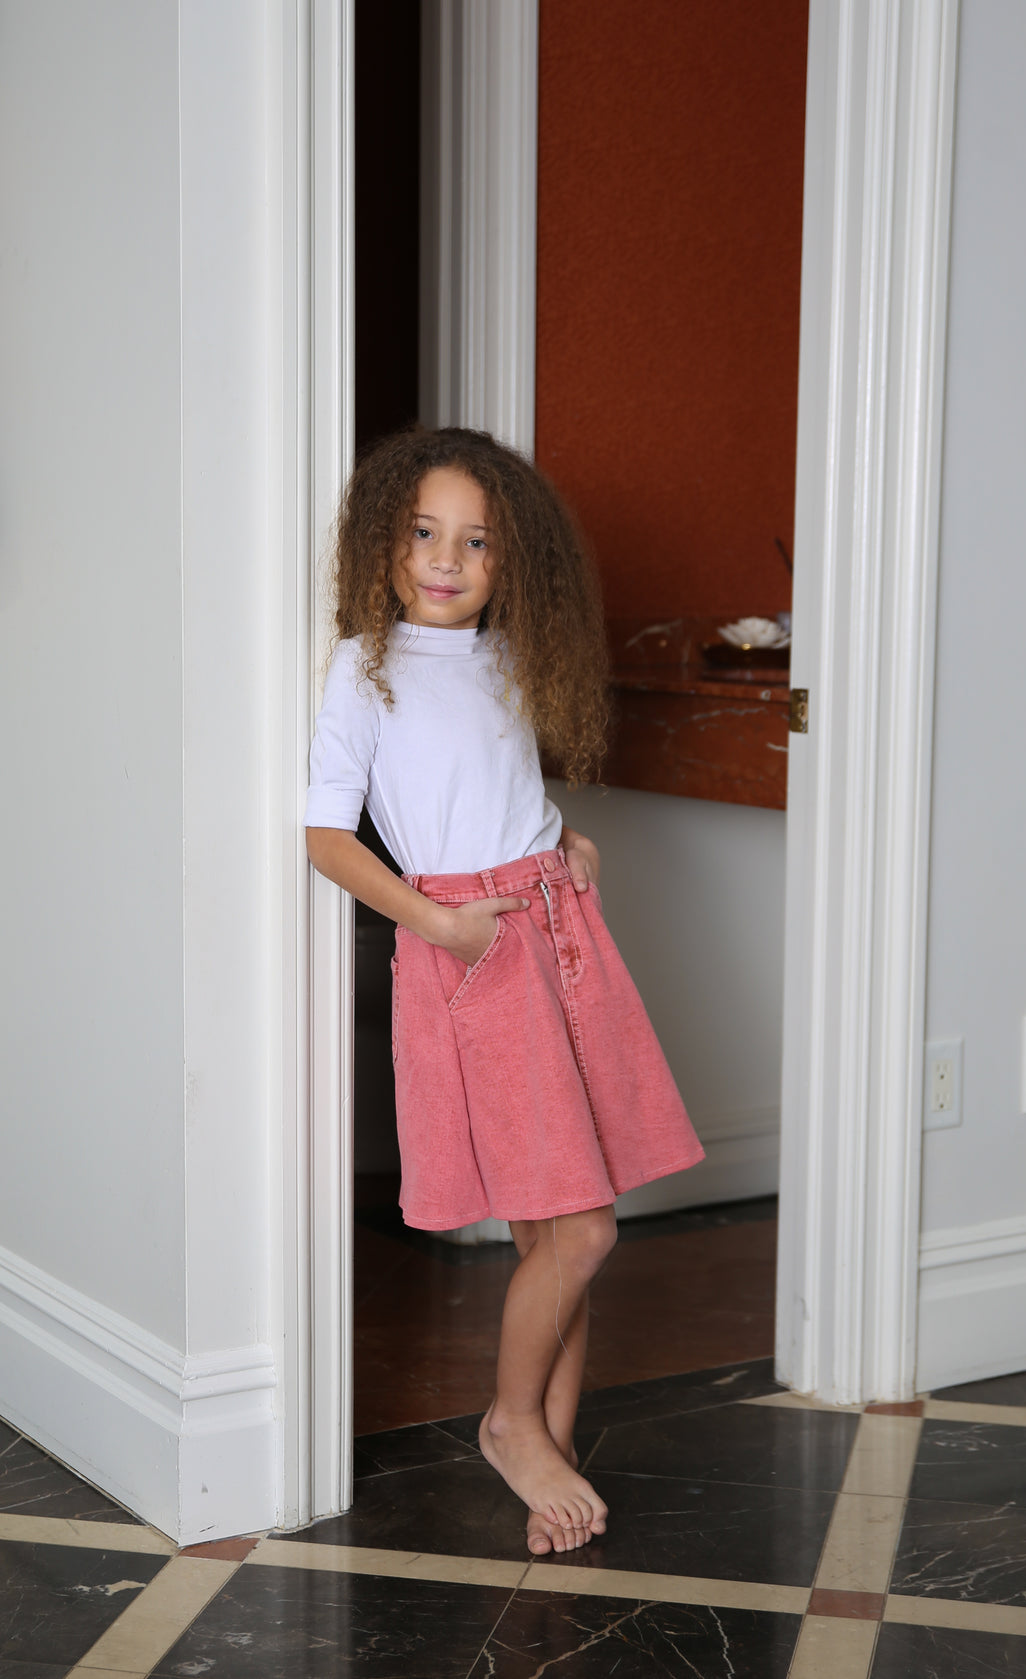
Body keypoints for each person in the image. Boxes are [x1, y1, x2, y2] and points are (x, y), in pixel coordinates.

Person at [305, 426, 705, 1556]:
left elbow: (491, 786)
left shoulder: (506, 655)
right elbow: (326, 836)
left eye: (476, 541)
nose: (446, 558)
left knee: (558, 1218)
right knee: (585, 1228)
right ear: (384, 542)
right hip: (473, 945)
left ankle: (549, 1450)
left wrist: (564, 837)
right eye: (423, 532)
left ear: (510, 556)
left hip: (557, 928)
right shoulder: (364, 666)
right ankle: (512, 1422)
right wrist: (437, 923)